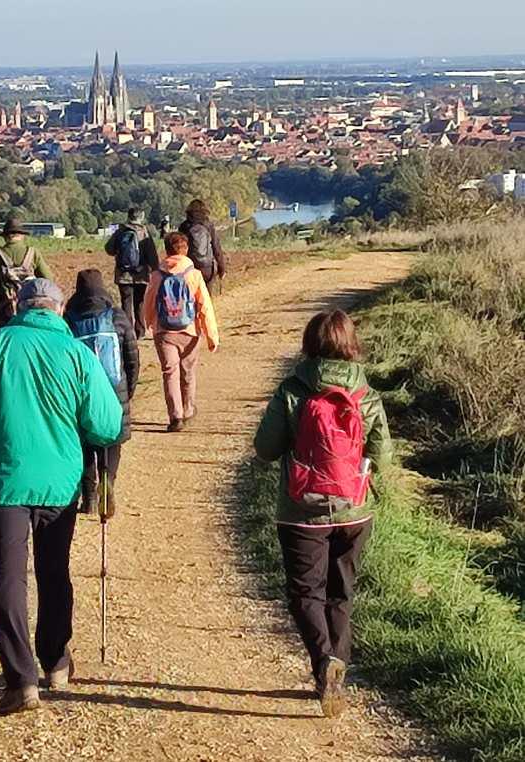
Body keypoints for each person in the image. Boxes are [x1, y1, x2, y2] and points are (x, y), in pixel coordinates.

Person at [0, 279, 123, 715]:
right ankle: (56, 662)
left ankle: (20, 680)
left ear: (21, 305)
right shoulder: (78, 354)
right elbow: (106, 425)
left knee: (8, 577)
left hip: (4, 482)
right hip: (60, 483)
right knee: (54, 570)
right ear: (59, 309)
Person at [253, 310, 392, 718]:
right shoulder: (366, 393)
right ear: (351, 343)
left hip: (301, 510)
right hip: (354, 510)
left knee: (304, 594)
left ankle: (323, 662)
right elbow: (382, 455)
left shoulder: (293, 389)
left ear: (309, 343)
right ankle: (337, 669)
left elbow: (265, 448)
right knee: (340, 592)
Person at [64, 268, 140, 516]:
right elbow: (132, 358)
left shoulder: (69, 319)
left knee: (84, 445)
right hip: (114, 390)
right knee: (112, 441)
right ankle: (108, 485)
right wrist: (128, 391)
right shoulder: (116, 316)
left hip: (80, 393)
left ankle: (88, 498)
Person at [143, 232, 219, 433]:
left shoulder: (157, 275)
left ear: (166, 250)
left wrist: (150, 324)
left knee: (170, 373)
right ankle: (187, 409)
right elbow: (205, 306)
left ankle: (175, 416)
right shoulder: (194, 275)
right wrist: (212, 336)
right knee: (188, 372)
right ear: (186, 251)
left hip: (164, 331)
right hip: (190, 331)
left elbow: (149, 303)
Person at [0, 217, 53, 328]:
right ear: (22, 236)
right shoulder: (33, 253)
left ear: (5, 237)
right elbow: (48, 280)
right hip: (28, 311)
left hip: (3, 313)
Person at [104, 208, 159, 340]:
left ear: (128, 217)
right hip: (141, 275)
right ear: (141, 217)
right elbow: (152, 255)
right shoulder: (144, 233)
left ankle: (127, 332)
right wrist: (156, 270)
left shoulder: (120, 232)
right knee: (139, 303)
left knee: (126, 304)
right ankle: (140, 331)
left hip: (123, 275)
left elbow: (109, 249)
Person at [178, 199, 227, 296]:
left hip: (189, 267)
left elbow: (178, 249)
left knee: (190, 296)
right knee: (206, 297)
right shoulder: (208, 225)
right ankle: (205, 310)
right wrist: (222, 269)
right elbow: (216, 249)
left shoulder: (184, 226)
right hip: (207, 268)